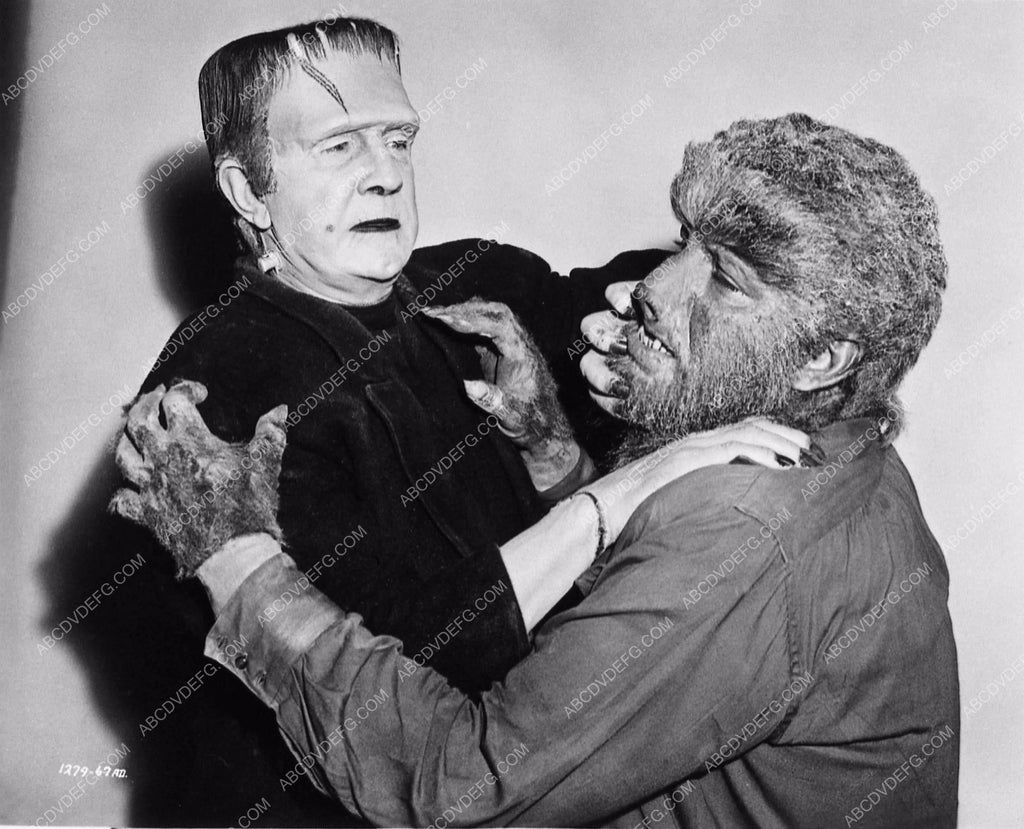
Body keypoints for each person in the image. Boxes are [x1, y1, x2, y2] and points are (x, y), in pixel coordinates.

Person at [114, 113, 959, 828]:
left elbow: (457, 784)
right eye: (685, 245)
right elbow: (643, 638)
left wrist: (238, 560)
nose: (653, 288)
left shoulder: (745, 530)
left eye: (727, 281)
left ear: (821, 359)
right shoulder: (837, 455)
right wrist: (556, 452)